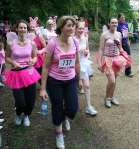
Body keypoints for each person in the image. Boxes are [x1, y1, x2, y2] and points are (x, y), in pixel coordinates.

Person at [40, 16, 80, 149]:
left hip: (71, 79)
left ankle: (65, 117)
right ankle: (59, 133)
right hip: (54, 81)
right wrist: (43, 88)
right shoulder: (52, 43)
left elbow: (77, 62)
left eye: (73, 25)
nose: (72, 28)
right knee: (57, 107)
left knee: (72, 109)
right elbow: (45, 66)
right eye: (69, 25)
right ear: (61, 27)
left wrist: (78, 79)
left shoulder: (75, 41)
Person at [4, 20, 40, 126]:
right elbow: (7, 57)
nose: (23, 29)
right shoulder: (11, 43)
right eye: (21, 27)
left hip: (29, 74)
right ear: (17, 29)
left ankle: (26, 115)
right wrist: (13, 62)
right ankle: (18, 114)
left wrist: (33, 61)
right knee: (20, 101)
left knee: (30, 100)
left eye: (25, 28)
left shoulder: (32, 43)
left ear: (27, 30)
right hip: (16, 74)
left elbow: (35, 56)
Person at [97, 17, 132, 108]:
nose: (114, 24)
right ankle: (107, 98)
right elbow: (100, 49)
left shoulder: (119, 34)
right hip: (107, 59)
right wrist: (99, 63)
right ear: (109, 24)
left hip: (117, 59)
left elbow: (120, 49)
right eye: (112, 22)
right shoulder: (104, 35)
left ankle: (111, 97)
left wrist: (120, 46)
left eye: (116, 23)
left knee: (114, 80)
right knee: (111, 81)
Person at [75, 21, 97, 116]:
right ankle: (69, 108)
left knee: (87, 86)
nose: (81, 30)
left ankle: (89, 106)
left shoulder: (85, 38)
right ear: (75, 29)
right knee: (74, 87)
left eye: (82, 28)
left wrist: (87, 53)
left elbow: (88, 50)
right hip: (74, 65)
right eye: (79, 28)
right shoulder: (72, 39)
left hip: (84, 64)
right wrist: (80, 50)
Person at [117, 13, 134, 77]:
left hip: (125, 42)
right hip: (118, 44)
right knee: (118, 57)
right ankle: (116, 70)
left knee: (128, 57)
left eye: (124, 17)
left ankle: (128, 72)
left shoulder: (126, 24)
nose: (123, 19)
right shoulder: (117, 25)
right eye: (122, 17)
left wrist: (128, 41)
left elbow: (126, 33)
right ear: (118, 18)